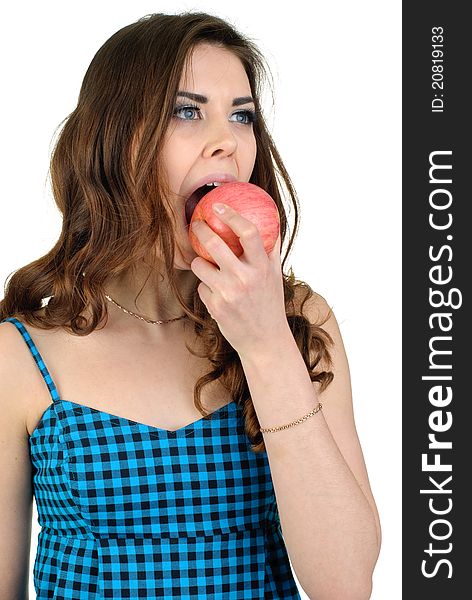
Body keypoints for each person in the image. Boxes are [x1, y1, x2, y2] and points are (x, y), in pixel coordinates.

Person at [0, 11, 381, 599]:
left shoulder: (300, 321)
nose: (228, 140)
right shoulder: (19, 356)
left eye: (242, 115)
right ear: (115, 143)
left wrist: (266, 344)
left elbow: (346, 584)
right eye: (187, 111)